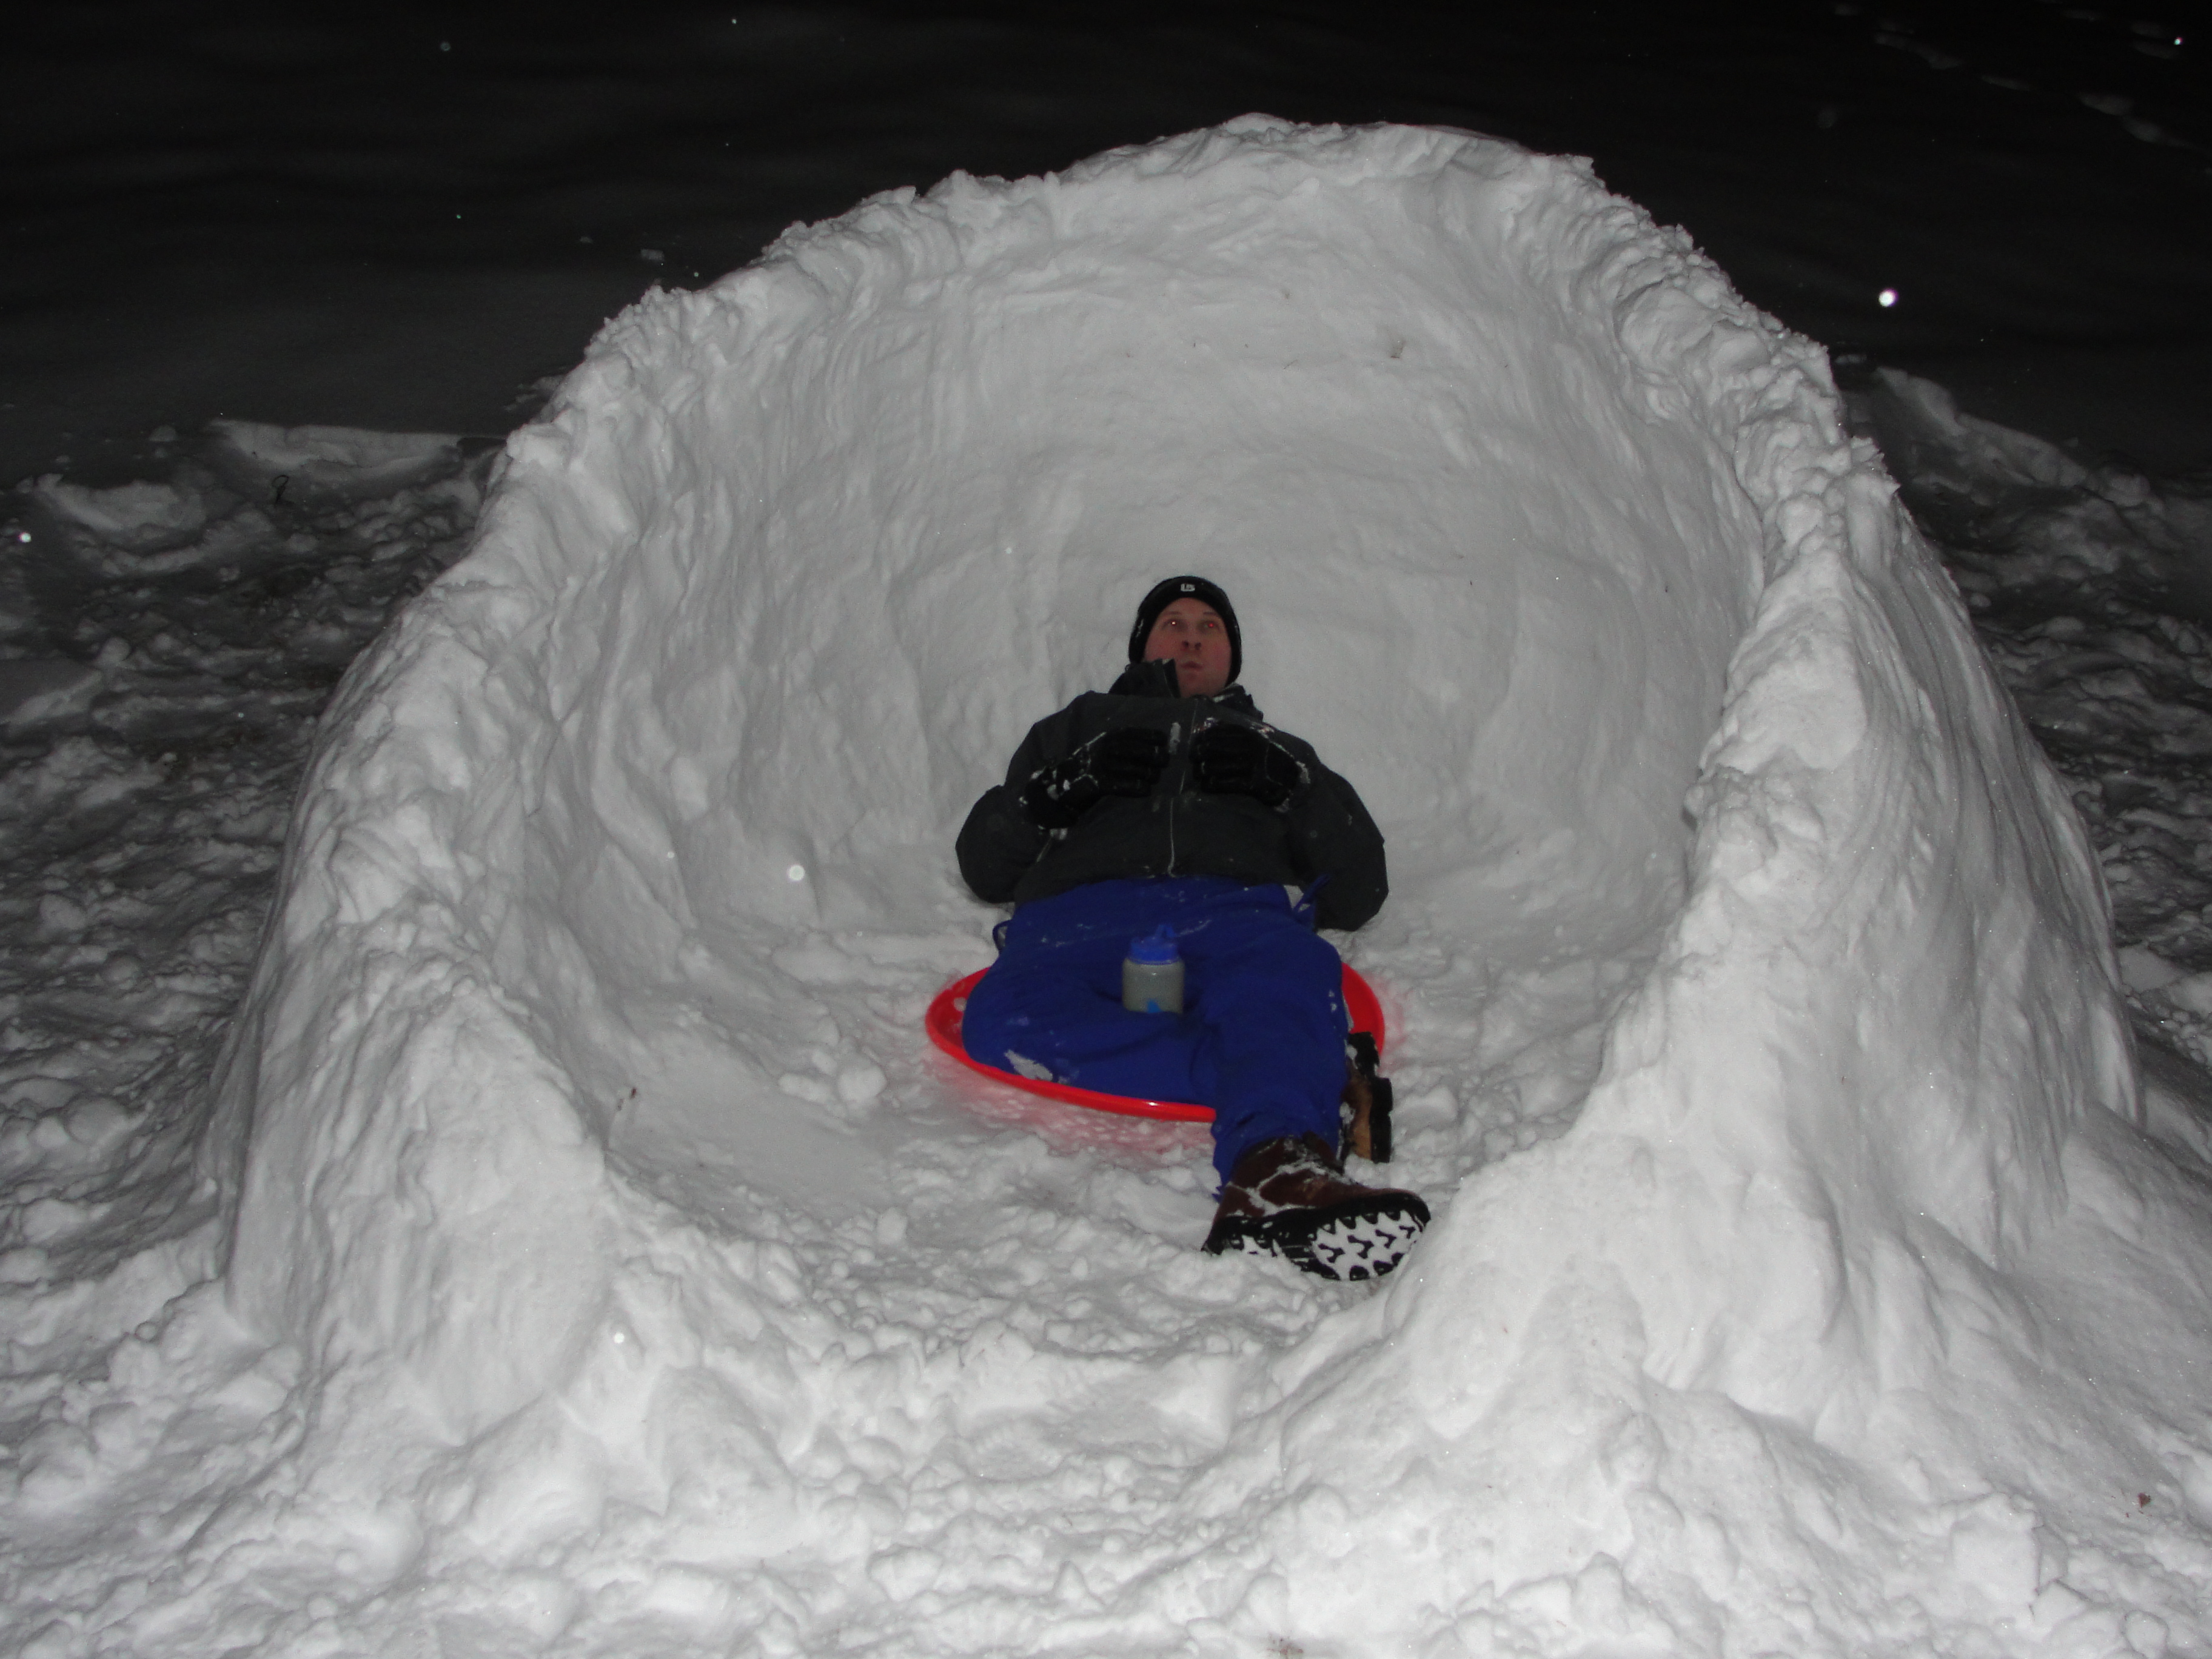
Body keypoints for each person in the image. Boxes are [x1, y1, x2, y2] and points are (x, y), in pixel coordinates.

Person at [956, 575, 1430, 1280]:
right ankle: (1282, 1078)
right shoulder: (1077, 727)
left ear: (1231, 655)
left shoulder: (1275, 746)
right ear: (1141, 645)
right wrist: (1061, 790)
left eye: (1210, 626)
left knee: (1287, 976)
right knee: (1003, 1020)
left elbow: (1361, 891)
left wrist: (1294, 789)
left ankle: (1275, 1172)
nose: (1191, 637)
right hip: (1081, 923)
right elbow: (984, 866)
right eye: (1172, 623)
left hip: (1231, 920)